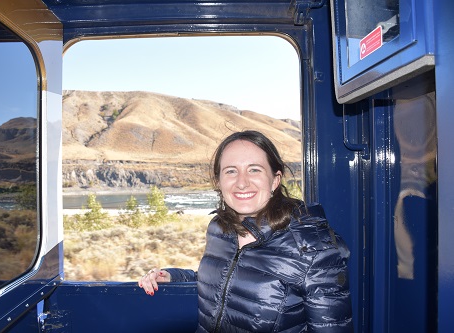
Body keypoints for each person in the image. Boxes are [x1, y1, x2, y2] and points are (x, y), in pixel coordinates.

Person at [139, 130, 353, 332]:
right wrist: (174, 277)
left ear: (275, 180)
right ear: (219, 181)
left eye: (254, 170)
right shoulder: (219, 228)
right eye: (231, 171)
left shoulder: (311, 246)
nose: (242, 183)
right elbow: (227, 280)